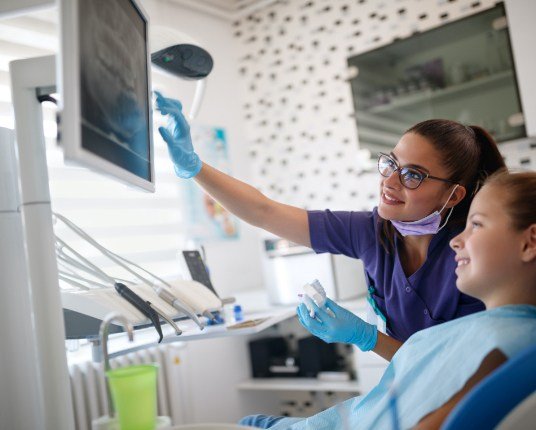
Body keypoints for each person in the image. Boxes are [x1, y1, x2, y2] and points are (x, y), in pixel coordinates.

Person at [155, 92, 506, 359]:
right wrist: (194, 167)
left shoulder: (472, 253)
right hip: (415, 392)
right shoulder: (373, 232)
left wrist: (368, 338)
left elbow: (456, 369)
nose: (390, 182)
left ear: (454, 195)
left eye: (413, 175)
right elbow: (265, 212)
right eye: (391, 163)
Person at [239, 169, 536, 429]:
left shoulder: (506, 351)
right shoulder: (500, 333)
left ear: (529, 242)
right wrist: (366, 336)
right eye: (390, 165)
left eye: (478, 225)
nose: (457, 240)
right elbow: (265, 212)